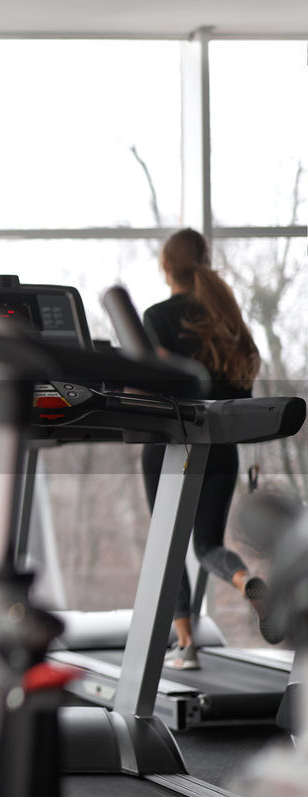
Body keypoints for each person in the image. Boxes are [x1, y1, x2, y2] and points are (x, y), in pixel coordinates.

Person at [140, 227, 279, 671]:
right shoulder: (228, 319)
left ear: (167, 268)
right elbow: (243, 388)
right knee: (206, 546)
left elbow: (152, 384)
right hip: (220, 445)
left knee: (168, 544)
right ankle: (245, 581)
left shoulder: (157, 317)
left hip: (169, 444)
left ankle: (186, 646)